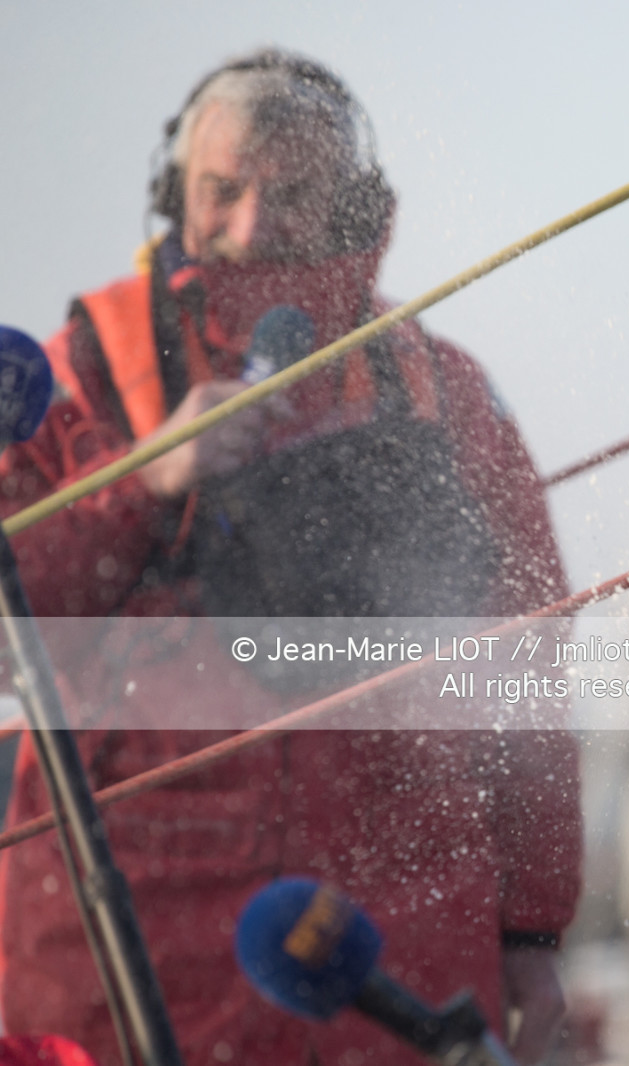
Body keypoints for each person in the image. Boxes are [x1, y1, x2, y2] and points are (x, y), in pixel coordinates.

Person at [0, 49, 580, 1066]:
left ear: (362, 209)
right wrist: (144, 480)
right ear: (174, 193)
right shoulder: (73, 378)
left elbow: (528, 674)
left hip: (395, 955)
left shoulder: (448, 398)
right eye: (223, 190)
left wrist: (533, 934)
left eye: (295, 193)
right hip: (120, 956)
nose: (252, 225)